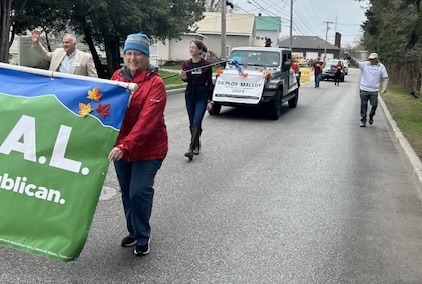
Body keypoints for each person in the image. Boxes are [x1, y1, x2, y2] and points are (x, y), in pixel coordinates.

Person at [108, 32, 168, 256]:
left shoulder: (156, 84)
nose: (133, 58)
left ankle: (143, 236)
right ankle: (133, 231)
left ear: (146, 56)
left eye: (138, 54)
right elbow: (106, 108)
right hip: (122, 149)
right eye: (129, 53)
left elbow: (146, 123)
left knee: (138, 192)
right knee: (126, 191)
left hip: (149, 149)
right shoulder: (117, 77)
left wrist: (124, 146)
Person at [179, 40, 214, 160]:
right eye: (190, 47)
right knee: (192, 123)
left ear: (200, 50)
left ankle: (191, 149)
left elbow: (209, 83)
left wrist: (210, 100)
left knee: (196, 121)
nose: (191, 49)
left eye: (193, 47)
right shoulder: (186, 65)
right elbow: (186, 79)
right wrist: (183, 78)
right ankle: (196, 143)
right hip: (190, 96)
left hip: (202, 97)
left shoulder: (206, 65)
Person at [345, 52, 389, 127]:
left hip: (374, 90)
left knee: (374, 105)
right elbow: (356, 63)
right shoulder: (365, 65)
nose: (371, 61)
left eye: (372, 59)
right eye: (370, 59)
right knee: (363, 105)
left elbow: (385, 78)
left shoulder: (381, 67)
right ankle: (363, 120)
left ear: (376, 60)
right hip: (364, 89)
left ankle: (371, 115)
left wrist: (384, 88)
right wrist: (349, 57)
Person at [31, 29, 98, 77]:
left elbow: (93, 77)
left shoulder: (85, 57)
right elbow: (45, 54)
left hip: (75, 89)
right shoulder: (58, 52)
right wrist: (36, 43)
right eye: (63, 42)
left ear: (74, 44)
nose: (64, 45)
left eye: (67, 42)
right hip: (57, 86)